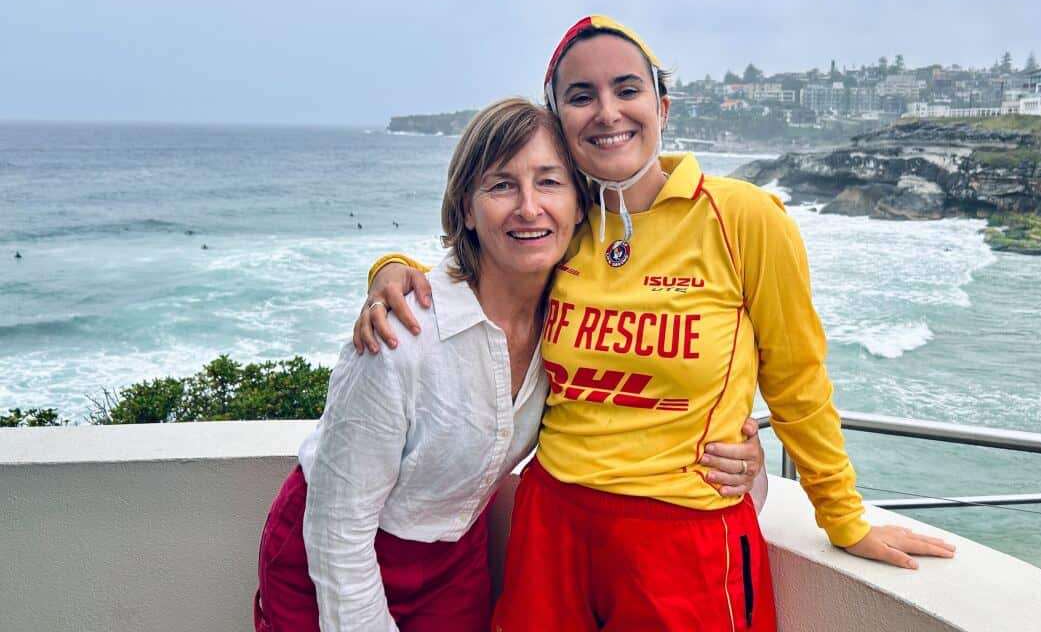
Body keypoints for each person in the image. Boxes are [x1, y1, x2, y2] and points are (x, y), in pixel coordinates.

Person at [357, 16, 954, 631]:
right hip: (550, 526)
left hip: (685, 539)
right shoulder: (562, 224)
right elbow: (474, 277)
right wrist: (392, 268)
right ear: (559, 121)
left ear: (661, 106)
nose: (608, 111)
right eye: (581, 96)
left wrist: (844, 519)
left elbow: (797, 377)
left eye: (627, 89)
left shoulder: (741, 216)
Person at [253, 97, 769, 632]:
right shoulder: (403, 333)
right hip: (329, 555)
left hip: (453, 557)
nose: (528, 207)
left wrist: (739, 448)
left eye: (549, 182)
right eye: (501, 185)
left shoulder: (573, 330)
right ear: (467, 210)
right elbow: (339, 525)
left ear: (579, 206)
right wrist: (388, 270)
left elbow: (628, 411)